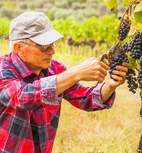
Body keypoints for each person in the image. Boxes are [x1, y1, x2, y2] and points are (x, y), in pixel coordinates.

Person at [0, 11, 128, 152]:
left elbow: (86, 98)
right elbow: (23, 97)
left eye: (53, 44)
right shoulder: (3, 70)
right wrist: (76, 73)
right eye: (44, 46)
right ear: (19, 48)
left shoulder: (55, 69)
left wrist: (110, 85)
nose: (52, 51)